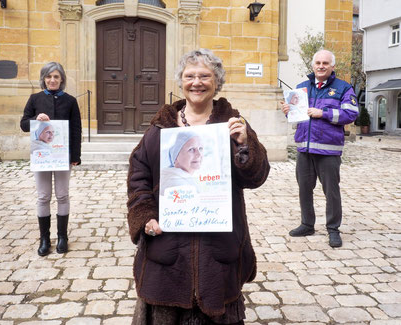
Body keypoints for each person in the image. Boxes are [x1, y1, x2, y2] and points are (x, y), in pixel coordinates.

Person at [127, 49, 270, 325]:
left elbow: (257, 176)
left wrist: (244, 144)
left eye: (205, 76)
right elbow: (138, 174)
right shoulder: (161, 127)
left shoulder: (232, 123)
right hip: (167, 252)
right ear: (181, 81)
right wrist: (144, 215)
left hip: (217, 253)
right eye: (189, 76)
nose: (197, 82)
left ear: (216, 81)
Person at [280, 49, 359, 248]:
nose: (321, 66)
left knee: (331, 191)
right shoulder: (302, 88)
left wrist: (322, 113)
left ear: (332, 66)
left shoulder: (343, 88)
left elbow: (351, 113)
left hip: (328, 150)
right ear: (313, 65)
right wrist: (288, 111)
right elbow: (296, 116)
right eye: (318, 63)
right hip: (304, 149)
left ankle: (333, 229)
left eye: (325, 63)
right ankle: (307, 224)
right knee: (304, 189)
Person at [20, 62, 82, 256]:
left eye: (56, 76)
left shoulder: (70, 101)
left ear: (61, 79)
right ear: (44, 79)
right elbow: (23, 124)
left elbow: (76, 129)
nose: (52, 80)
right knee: (43, 196)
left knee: (62, 195)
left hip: (62, 156)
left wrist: (75, 156)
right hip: (42, 157)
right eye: (49, 77)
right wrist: (35, 120)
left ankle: (62, 237)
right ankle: (44, 238)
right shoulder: (35, 99)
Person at [160, 131, 203, 195]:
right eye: (191, 149)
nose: (199, 154)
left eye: (200, 148)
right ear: (176, 157)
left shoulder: (182, 179)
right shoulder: (177, 184)